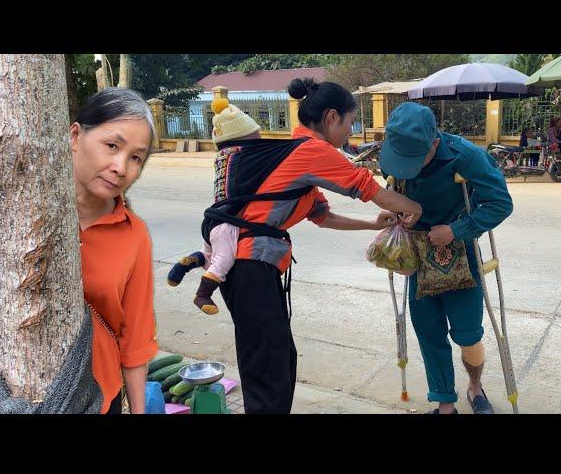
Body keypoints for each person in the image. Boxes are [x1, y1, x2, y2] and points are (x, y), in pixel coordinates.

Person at [200, 77, 422, 414]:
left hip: (254, 270)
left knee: (278, 358)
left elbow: (321, 215)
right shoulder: (311, 151)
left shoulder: (296, 151)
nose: (351, 132)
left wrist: (373, 224)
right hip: (249, 269)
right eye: (350, 123)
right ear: (332, 118)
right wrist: (412, 207)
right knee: (267, 368)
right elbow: (366, 188)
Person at [0, 87, 158, 414]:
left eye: (136, 157)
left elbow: (135, 340)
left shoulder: (134, 235)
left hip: (97, 401)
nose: (121, 167)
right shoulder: (19, 209)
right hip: (14, 395)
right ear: (75, 136)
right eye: (112, 146)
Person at [379, 102, 513, 414]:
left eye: (414, 160)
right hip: (418, 254)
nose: (405, 167)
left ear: (435, 142)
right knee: (429, 332)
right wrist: (402, 213)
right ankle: (445, 405)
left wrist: (456, 230)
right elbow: (394, 191)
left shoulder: (465, 154)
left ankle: (475, 387)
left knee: (468, 333)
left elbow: (500, 203)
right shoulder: (392, 156)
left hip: (459, 250)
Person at [166, 99, 261, 315]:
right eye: (256, 136)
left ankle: (187, 263)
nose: (260, 139)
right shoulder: (245, 156)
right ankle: (203, 294)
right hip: (228, 221)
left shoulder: (223, 156)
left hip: (213, 219)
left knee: (209, 252)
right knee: (224, 259)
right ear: (242, 137)